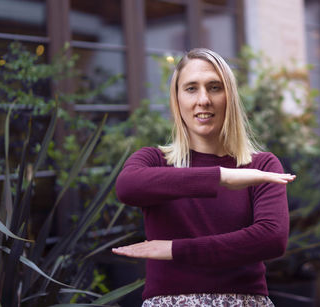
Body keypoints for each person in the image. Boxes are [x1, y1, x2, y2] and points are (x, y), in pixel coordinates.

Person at [112, 48, 295, 307]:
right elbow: (126, 187)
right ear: (176, 99)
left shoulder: (261, 165)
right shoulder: (154, 161)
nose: (204, 99)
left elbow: (271, 239)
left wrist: (175, 250)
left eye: (214, 87)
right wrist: (221, 177)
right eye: (191, 88)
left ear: (229, 96)